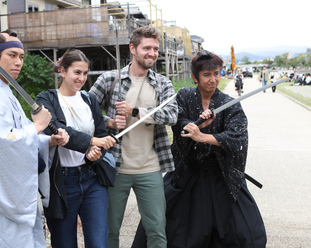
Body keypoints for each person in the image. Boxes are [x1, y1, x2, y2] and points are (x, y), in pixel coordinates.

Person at [133, 50, 266, 247]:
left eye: (217, 74)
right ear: (195, 77)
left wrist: (202, 136)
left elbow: (237, 135)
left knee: (244, 231)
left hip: (221, 174)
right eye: (206, 74)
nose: (213, 79)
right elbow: (177, 120)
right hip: (187, 173)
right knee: (170, 227)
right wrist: (195, 126)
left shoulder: (229, 103)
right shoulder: (185, 96)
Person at [0, 30, 68, 247]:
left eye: (21, 57)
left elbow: (18, 133)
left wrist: (47, 140)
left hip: (9, 190)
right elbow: (4, 140)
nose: (19, 62)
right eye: (12, 55)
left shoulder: (5, 92)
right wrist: (37, 126)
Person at [90, 26, 178, 248]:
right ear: (133, 49)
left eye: (156, 49)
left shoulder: (162, 83)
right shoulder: (109, 79)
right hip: (114, 168)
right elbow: (85, 114)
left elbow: (172, 115)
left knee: (157, 232)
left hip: (150, 167)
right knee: (109, 231)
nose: (152, 53)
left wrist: (135, 111)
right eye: (146, 48)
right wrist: (108, 122)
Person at [35, 49, 117, 248]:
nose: (82, 78)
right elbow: (55, 128)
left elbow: (99, 133)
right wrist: (93, 142)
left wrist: (93, 152)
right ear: (62, 71)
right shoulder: (46, 98)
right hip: (61, 182)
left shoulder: (89, 99)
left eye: (85, 73)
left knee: (99, 243)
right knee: (64, 243)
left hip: (92, 179)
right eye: (77, 72)